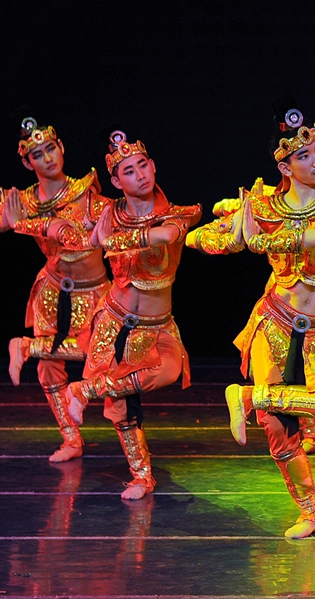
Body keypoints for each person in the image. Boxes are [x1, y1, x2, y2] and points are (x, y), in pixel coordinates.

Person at [191, 96, 315, 538]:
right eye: (303, 155)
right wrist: (234, 234)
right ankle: (310, 512)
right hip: (276, 323)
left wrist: (262, 239)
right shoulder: (265, 207)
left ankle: (250, 397)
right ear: (285, 166)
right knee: (276, 427)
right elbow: (198, 237)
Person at [64, 130, 200, 500]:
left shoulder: (176, 215)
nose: (139, 175)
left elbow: (165, 236)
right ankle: (141, 477)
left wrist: (115, 239)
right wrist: (90, 235)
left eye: (143, 165)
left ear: (153, 166)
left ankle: (85, 390)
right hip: (114, 320)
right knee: (122, 407)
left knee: (168, 370)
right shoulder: (108, 212)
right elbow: (79, 232)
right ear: (116, 181)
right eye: (129, 170)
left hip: (157, 326)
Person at [0, 117, 111, 463]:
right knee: (48, 369)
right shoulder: (25, 201)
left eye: (51, 149)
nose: (48, 158)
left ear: (61, 148)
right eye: (38, 154)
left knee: (103, 357)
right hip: (52, 291)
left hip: (94, 291)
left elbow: (107, 220)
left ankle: (26, 347)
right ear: (27, 162)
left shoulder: (85, 193)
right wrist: (5, 222)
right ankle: (71, 439)